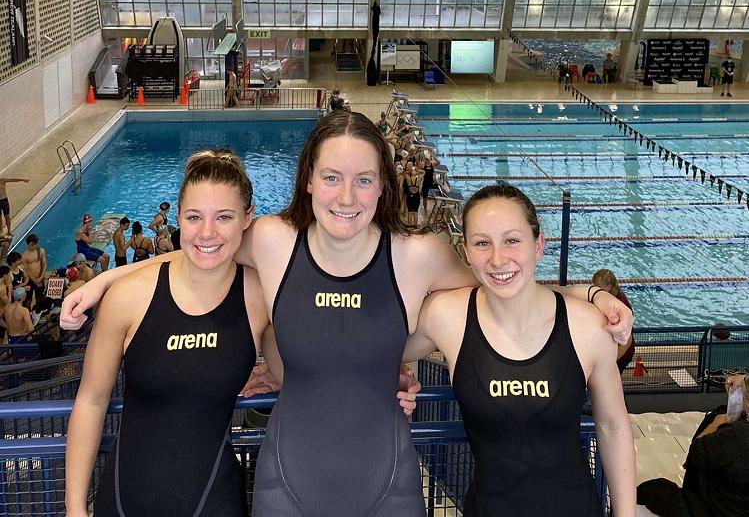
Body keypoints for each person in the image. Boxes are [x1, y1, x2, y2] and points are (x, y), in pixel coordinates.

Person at [61, 113, 633, 517]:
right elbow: (202, 246)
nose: (346, 197)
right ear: (308, 180)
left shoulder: (417, 255)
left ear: (383, 186)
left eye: (363, 180)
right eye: (332, 178)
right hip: (286, 488)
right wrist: (108, 280)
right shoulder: (274, 242)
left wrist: (587, 292)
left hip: (391, 488)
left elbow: (502, 278)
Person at [403, 184, 636, 517]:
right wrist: (398, 376)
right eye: (482, 243)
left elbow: (613, 425)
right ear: (465, 251)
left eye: (512, 240)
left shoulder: (587, 326)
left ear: (538, 245)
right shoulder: (446, 316)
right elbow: (378, 353)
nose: (498, 258)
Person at [64, 149, 270, 517]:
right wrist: (74, 507)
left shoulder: (261, 296)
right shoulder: (128, 298)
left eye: (224, 217)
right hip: (124, 502)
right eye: (194, 217)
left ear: (248, 217)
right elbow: (91, 401)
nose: (207, 232)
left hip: (215, 502)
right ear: (178, 217)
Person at [637, 373, 749, 516]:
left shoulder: (732, 437)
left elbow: (695, 456)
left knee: (655, 490)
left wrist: (715, 424)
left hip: (715, 508)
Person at [591, 268, 636, 373]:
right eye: (594, 287)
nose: (595, 291)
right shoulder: (609, 297)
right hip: (614, 350)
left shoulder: (619, 306)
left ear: (609, 287)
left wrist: (611, 362)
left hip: (622, 354)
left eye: (599, 288)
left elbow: (627, 340)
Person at [21, 233, 48, 306]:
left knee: (40, 297)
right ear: (28, 244)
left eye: (35, 244)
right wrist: (34, 280)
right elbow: (26, 270)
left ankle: (39, 309)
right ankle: (28, 311)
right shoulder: (24, 255)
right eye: (32, 245)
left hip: (40, 277)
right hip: (30, 280)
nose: (34, 246)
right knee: (28, 299)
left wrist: (41, 277)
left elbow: (44, 264)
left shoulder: (41, 251)